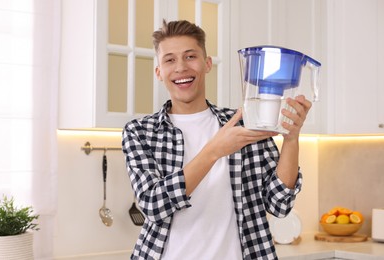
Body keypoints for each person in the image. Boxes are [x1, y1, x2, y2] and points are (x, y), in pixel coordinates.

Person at [122, 19, 312, 260]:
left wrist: (292, 139)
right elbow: (153, 204)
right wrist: (214, 151)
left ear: (207, 63)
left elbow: (279, 204)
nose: (181, 67)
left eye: (190, 56)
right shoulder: (140, 132)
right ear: (159, 72)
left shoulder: (244, 122)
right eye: (169, 59)